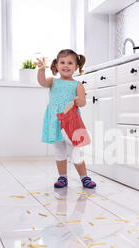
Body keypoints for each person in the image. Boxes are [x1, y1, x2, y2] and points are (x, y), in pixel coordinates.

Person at [35, 49, 96, 189]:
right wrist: (41, 70)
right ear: (56, 65)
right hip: (55, 121)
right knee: (59, 150)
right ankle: (62, 177)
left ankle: (84, 177)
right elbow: (42, 82)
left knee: (75, 150)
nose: (66, 65)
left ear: (76, 67)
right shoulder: (53, 82)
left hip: (71, 122)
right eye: (62, 62)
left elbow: (83, 102)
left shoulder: (77, 85)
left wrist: (79, 100)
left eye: (70, 63)